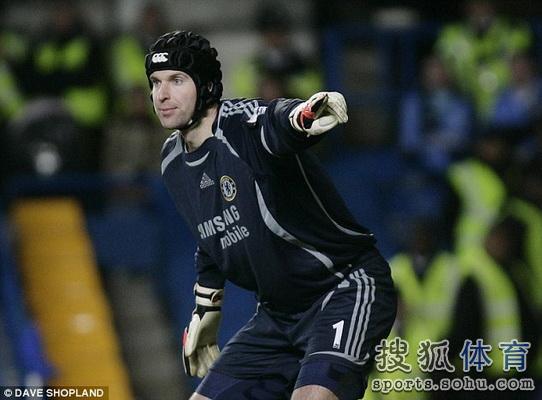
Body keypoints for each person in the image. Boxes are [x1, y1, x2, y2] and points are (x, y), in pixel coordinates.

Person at [145, 30, 397, 400]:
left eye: (176, 80)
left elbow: (278, 121)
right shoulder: (172, 162)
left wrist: (304, 116)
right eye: (155, 83)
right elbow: (211, 238)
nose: (162, 95)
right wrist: (205, 311)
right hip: (278, 316)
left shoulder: (242, 125)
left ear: (207, 85)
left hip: (343, 287)